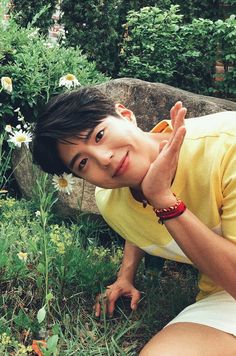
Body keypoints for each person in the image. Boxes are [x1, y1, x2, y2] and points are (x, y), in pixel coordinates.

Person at [32, 87, 236, 355]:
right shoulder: (110, 200)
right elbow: (136, 222)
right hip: (224, 293)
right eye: (82, 163)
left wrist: (163, 200)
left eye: (99, 135)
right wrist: (125, 275)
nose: (104, 159)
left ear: (125, 115)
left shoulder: (225, 144)